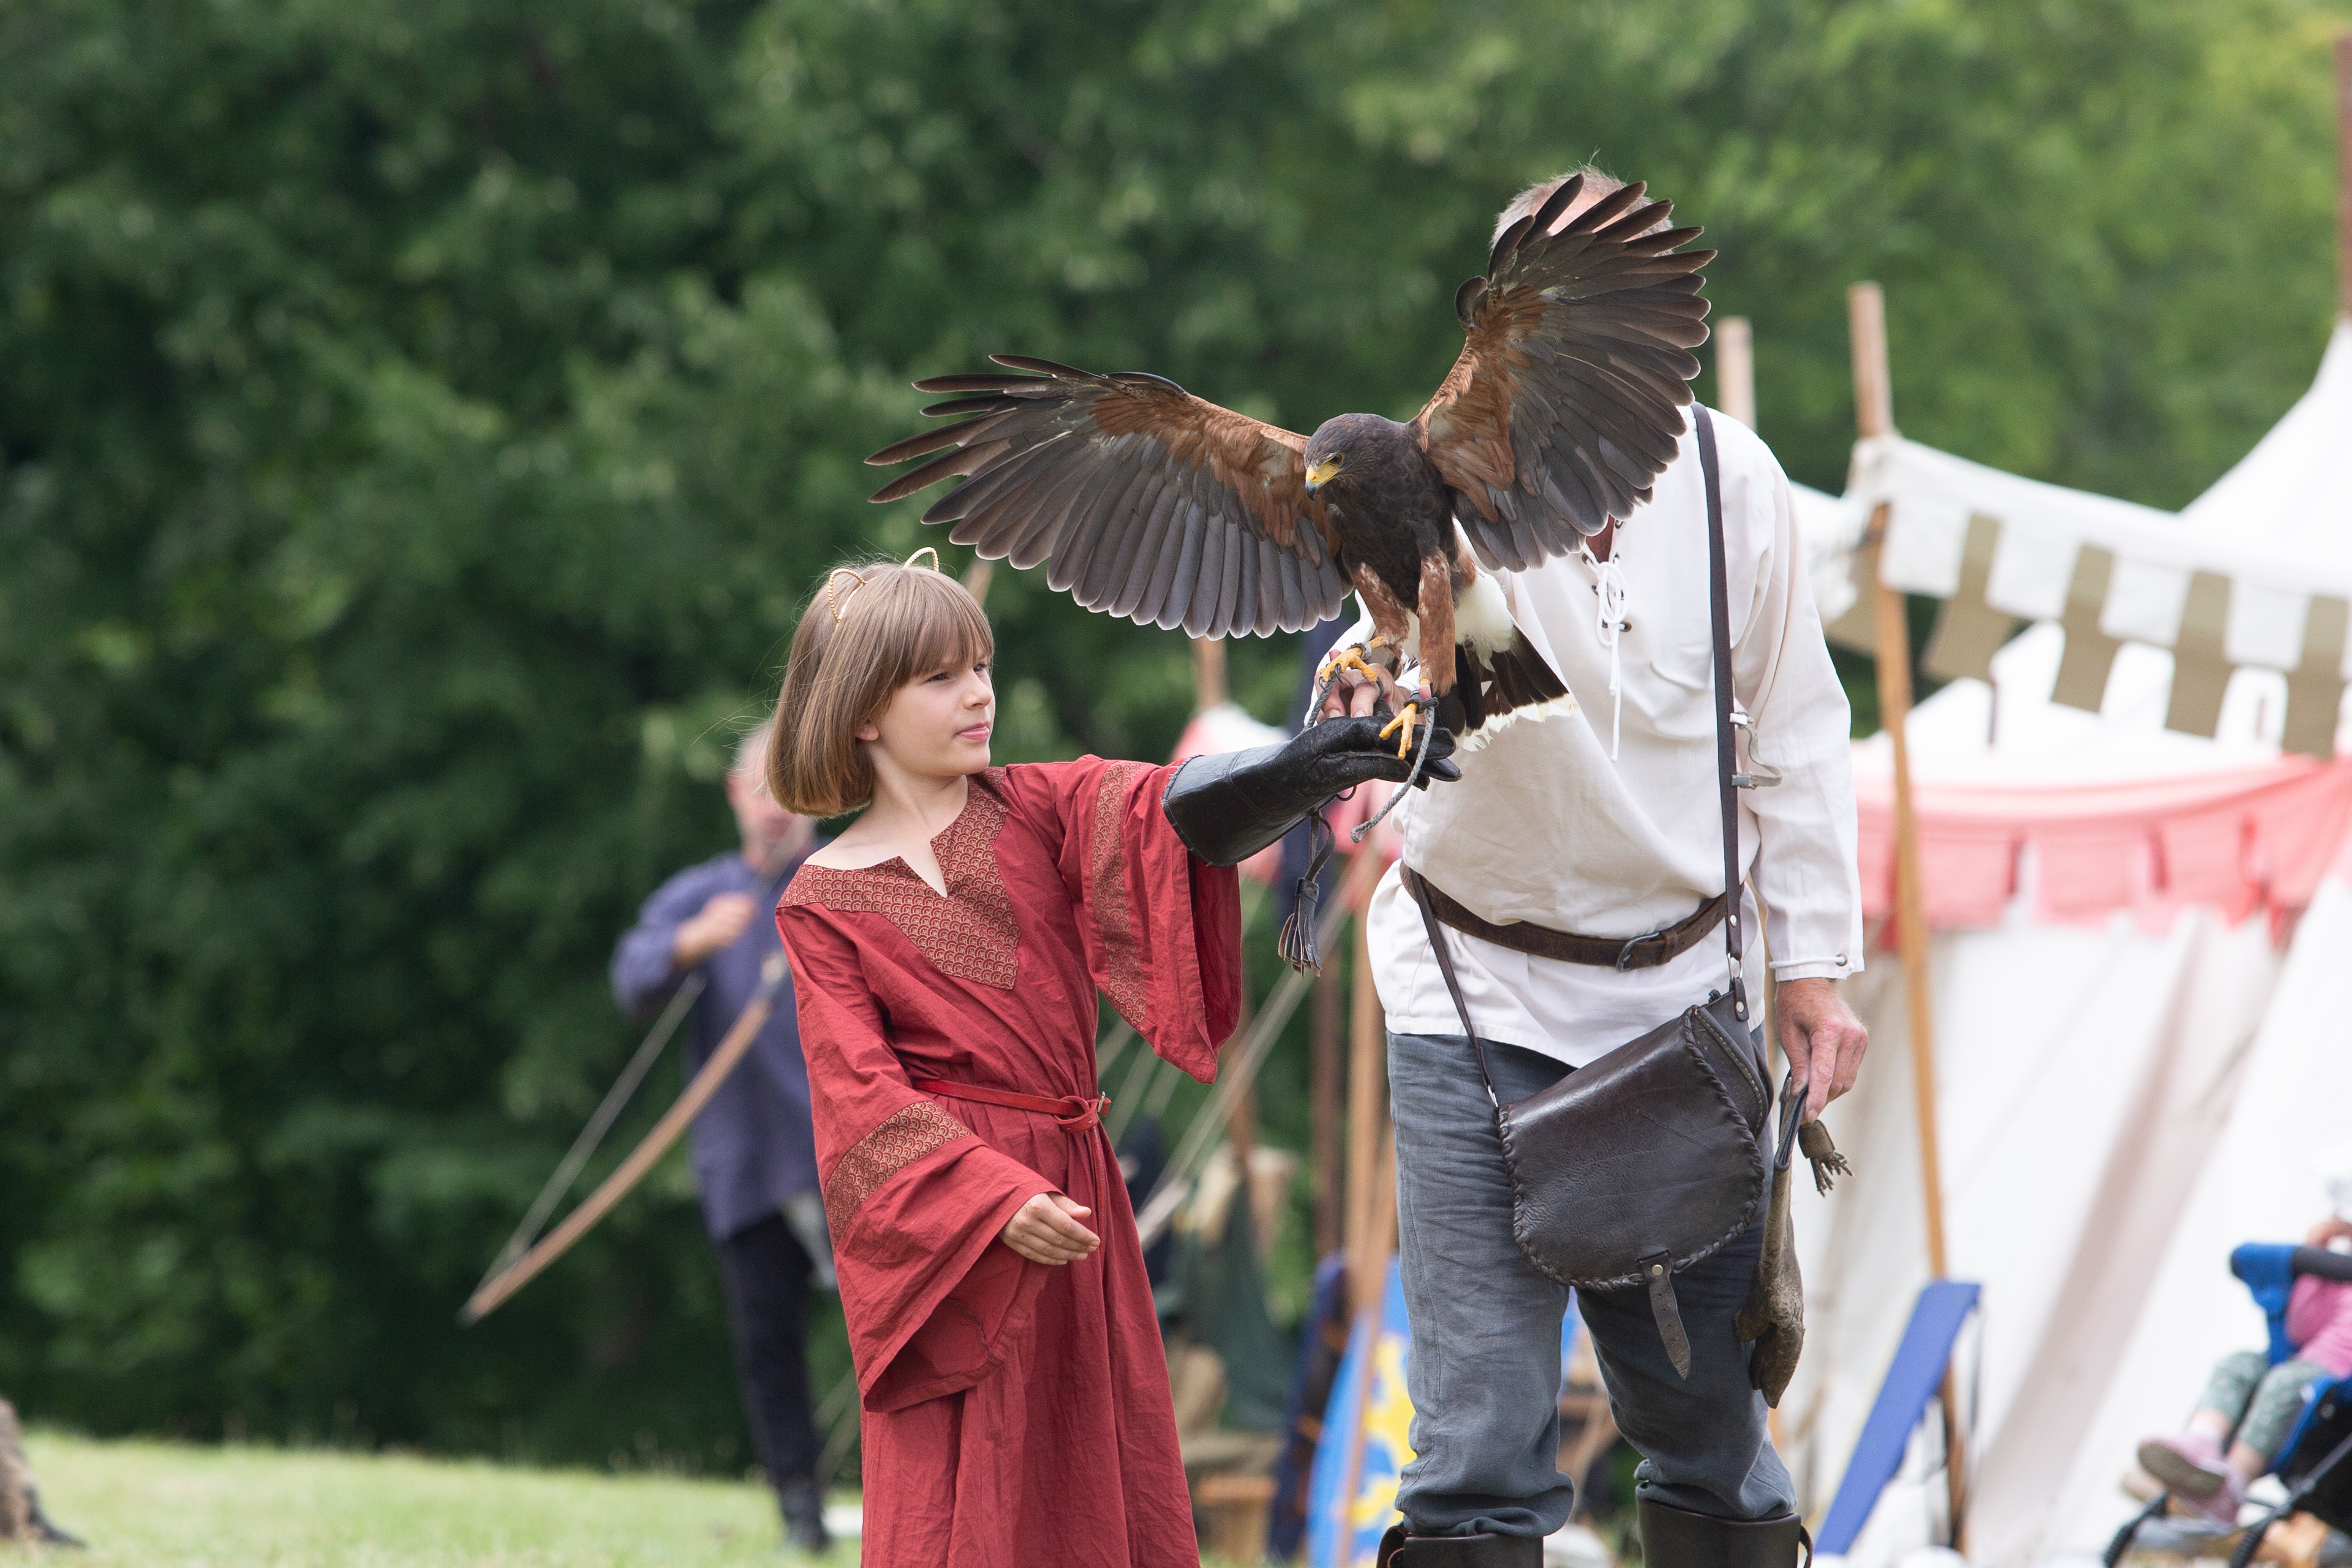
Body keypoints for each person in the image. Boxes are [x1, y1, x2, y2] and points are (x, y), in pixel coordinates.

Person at [1280, 169, 1872, 1568]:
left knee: (1710, 1438)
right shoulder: (1428, 474)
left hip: (1677, 1003)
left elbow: (1797, 727)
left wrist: (1811, 965)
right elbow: (1376, 646)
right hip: (1469, 987)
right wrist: (1357, 691)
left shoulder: (1735, 482)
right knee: (1475, 1447)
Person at [767, 552, 1441, 1567]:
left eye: (982, 667)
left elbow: (1169, 811)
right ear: (863, 712)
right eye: (942, 677)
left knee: (1093, 1477)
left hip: (1076, 1198)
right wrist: (987, 1198)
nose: (979, 694)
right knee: (966, 1504)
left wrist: (1306, 766)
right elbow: (857, 1097)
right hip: (960, 1237)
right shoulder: (819, 901)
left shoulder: (1036, 806)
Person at [609, 718, 832, 1553]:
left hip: (847, 1159)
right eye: (762, 786)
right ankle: (802, 1515)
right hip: (747, 1162)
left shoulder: (848, 878)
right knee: (768, 1346)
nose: (776, 805)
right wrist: (688, 943)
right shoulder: (704, 893)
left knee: (896, 1336)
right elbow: (630, 974)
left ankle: (919, 1503)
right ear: (736, 793)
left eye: (792, 787)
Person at [2138, 1207, 2352, 1523]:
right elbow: (2299, 1327)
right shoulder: (2339, 1277)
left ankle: (2233, 1485)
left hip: (2336, 1380)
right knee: (2240, 1364)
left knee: (2286, 1382)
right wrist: (2313, 1258)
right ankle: (2202, 1442)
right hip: (2305, 1362)